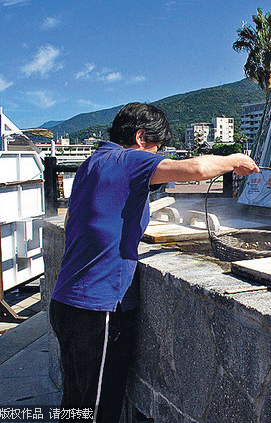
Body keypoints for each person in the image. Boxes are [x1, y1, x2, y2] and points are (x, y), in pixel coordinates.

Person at [49, 102, 259, 421]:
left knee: (74, 402)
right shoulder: (130, 159)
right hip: (99, 309)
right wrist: (233, 161)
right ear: (141, 137)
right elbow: (196, 171)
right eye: (157, 147)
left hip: (64, 301)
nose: (158, 155)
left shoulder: (94, 162)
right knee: (98, 412)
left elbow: (79, 222)